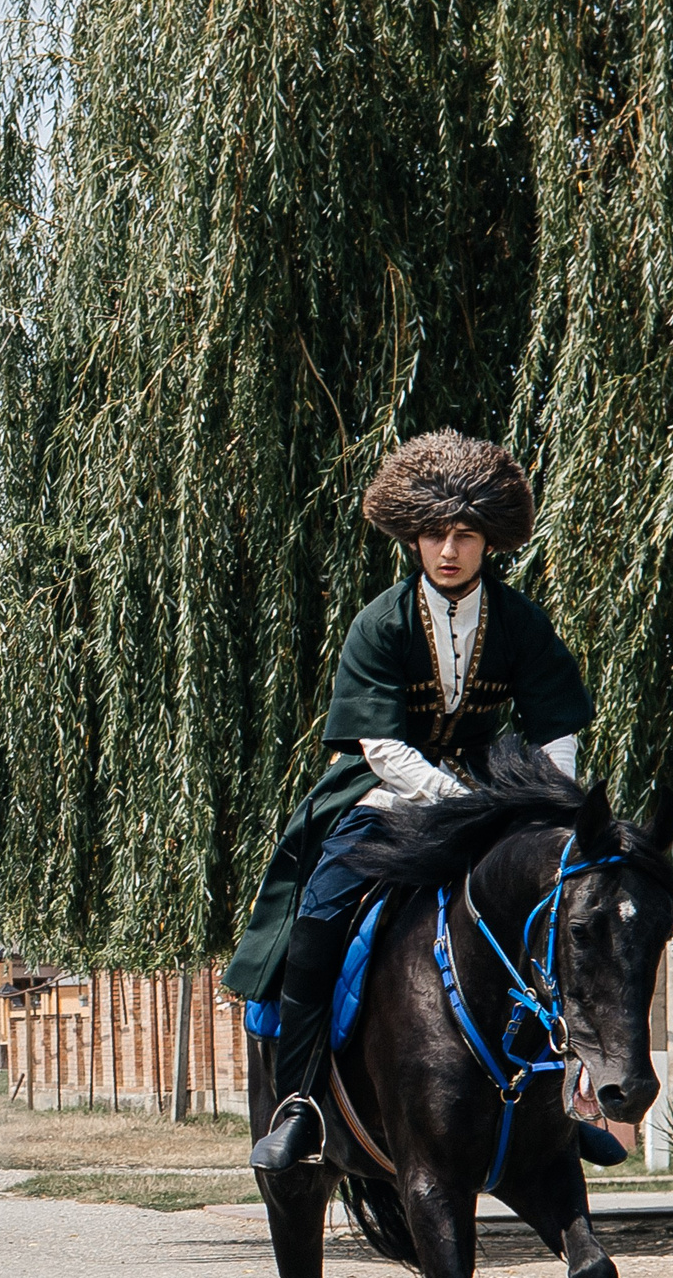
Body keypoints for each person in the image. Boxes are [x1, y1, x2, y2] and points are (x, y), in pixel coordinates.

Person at [226, 431, 597, 1176]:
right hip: (384, 796)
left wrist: (549, 805)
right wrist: (469, 803)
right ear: (415, 539)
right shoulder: (380, 622)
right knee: (317, 922)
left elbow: (558, 726)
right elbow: (382, 749)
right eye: (435, 534)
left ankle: (566, 1102)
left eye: (464, 534)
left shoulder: (520, 621)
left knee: (566, 917)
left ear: (489, 539)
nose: (449, 549)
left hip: (493, 797)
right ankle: (297, 1105)